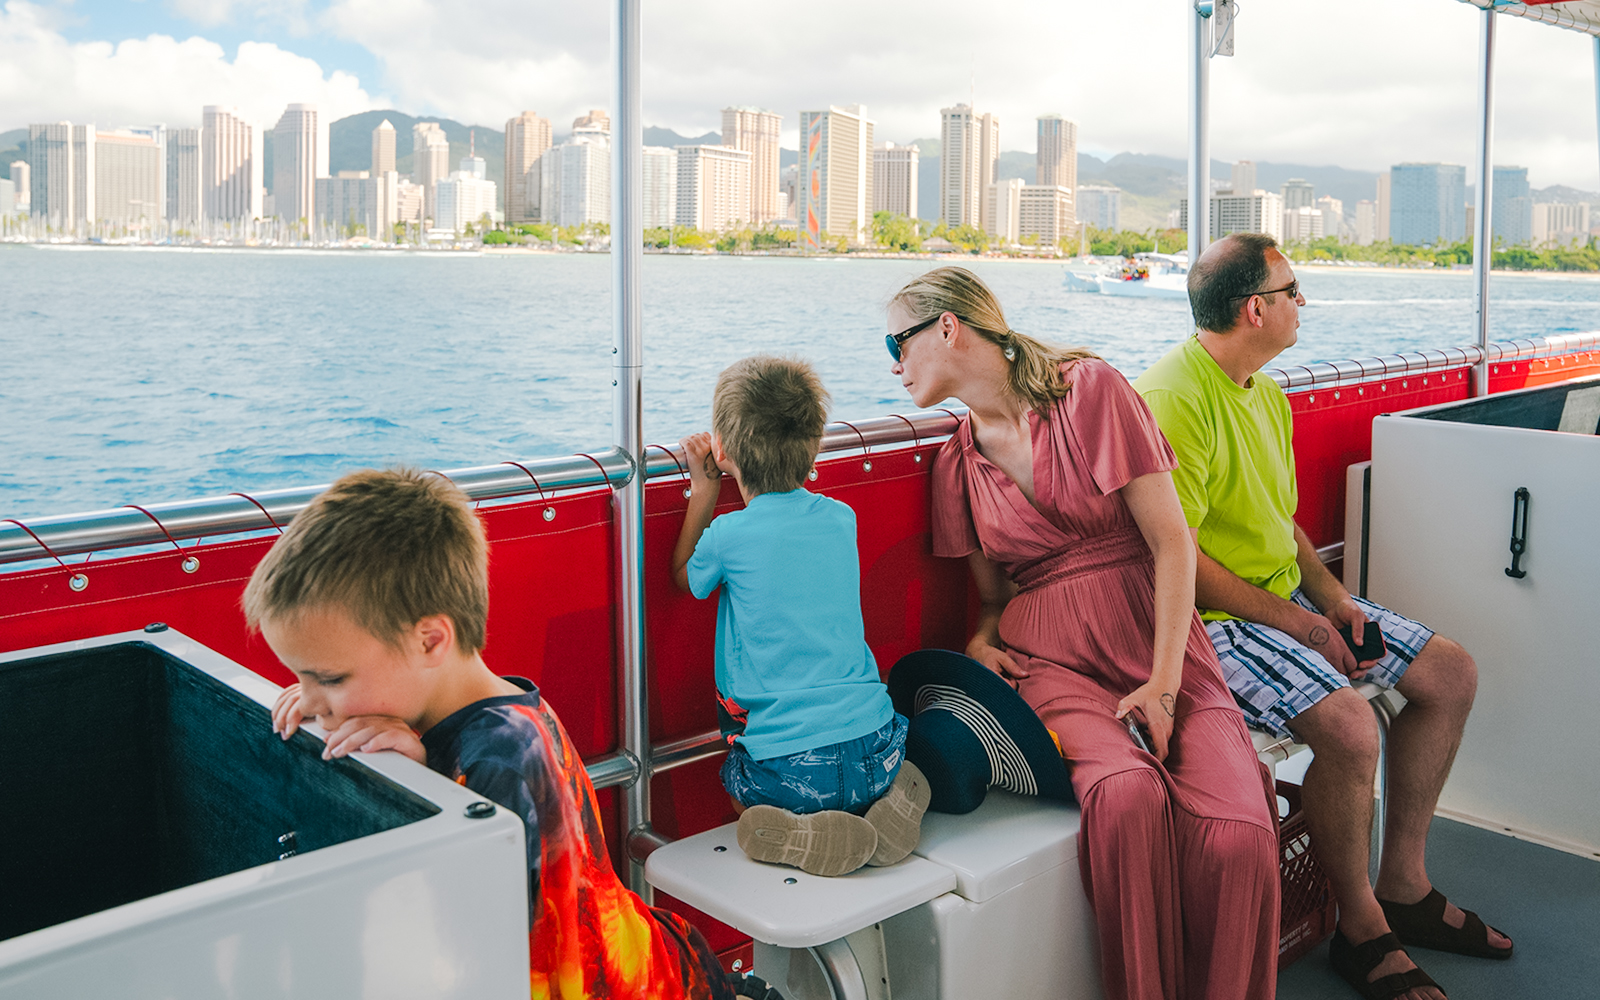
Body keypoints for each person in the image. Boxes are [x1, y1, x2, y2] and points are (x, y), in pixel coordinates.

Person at [1134, 233, 1512, 1000]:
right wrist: (1302, 625)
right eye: (1292, 290)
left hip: (1286, 596)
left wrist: (1334, 601)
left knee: (1450, 673)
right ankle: (1362, 928)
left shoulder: (1264, 390)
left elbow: (1283, 525)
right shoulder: (1173, 398)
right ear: (1254, 309)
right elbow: (1183, 559)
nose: (1302, 302)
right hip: (1213, 617)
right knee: (1347, 725)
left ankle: (1404, 885)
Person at [888, 267, 1280, 1000]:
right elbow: (992, 599)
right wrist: (980, 638)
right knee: (1126, 798)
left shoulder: (1088, 390)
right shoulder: (955, 464)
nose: (892, 363)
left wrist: (1165, 686)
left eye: (896, 340)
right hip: (1050, 660)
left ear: (947, 327)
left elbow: (1172, 543)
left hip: (1156, 641)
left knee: (1238, 837)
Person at [242, 467, 735, 1000]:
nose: (310, 701)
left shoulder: (498, 762)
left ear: (430, 641)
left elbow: (475, 951)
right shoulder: (501, 707)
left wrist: (423, 791)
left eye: (330, 678)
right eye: (300, 676)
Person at [672, 355, 928, 877]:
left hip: (790, 771)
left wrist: (704, 493)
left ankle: (799, 832)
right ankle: (886, 800)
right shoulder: (841, 519)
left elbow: (685, 577)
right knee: (863, 762)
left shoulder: (728, 535)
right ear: (814, 446)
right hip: (876, 748)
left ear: (722, 451)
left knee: (741, 789)